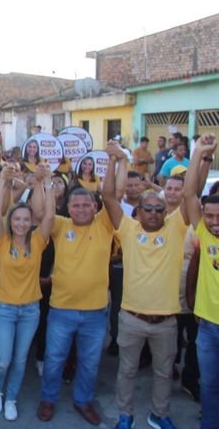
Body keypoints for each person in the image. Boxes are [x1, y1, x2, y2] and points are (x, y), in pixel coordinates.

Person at [102, 141, 189, 429]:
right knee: (126, 371)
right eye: (147, 208)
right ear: (137, 212)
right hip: (131, 317)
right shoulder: (128, 230)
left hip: (166, 322)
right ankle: (125, 415)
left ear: (166, 212)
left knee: (164, 373)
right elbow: (109, 197)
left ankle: (159, 414)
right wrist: (113, 160)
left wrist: (199, 155)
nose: (153, 212)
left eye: (158, 209)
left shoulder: (177, 229)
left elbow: (189, 194)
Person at [37, 175, 118, 425]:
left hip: (95, 312)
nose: (81, 209)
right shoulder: (60, 226)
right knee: (54, 359)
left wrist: (115, 162)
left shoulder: (105, 225)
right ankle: (48, 398)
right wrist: (44, 183)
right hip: (62, 309)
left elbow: (113, 196)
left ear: (96, 207)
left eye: (87, 205)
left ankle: (83, 401)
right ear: (68, 208)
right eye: (76, 205)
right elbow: (40, 212)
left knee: (90, 363)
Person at [0, 164, 54, 421]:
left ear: (30, 223)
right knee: (3, 360)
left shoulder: (38, 240)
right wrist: (4, 181)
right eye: (17, 219)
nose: (21, 223)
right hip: (3, 309)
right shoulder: (2, 240)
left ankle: (12, 397)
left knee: (20, 360)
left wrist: (47, 182)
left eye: (26, 219)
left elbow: (49, 216)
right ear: (11, 221)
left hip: (30, 310)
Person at [183, 134, 219, 429]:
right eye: (209, 216)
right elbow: (189, 195)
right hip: (206, 327)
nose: (214, 221)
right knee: (208, 387)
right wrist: (200, 153)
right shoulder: (204, 235)